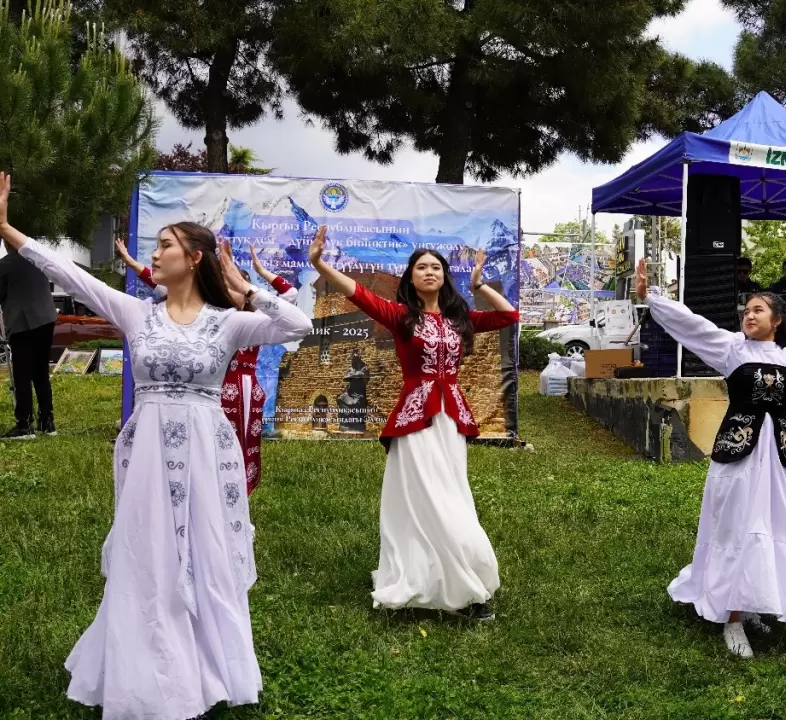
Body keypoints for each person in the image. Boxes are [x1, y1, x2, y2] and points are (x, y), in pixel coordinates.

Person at [0, 171, 313, 719]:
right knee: (148, 549)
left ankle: (208, 665)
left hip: (206, 453)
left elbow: (297, 325)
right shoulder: (137, 313)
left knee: (205, 551)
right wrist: (7, 230)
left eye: (166, 244)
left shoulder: (228, 323)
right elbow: (70, 274)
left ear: (193, 258)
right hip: (147, 453)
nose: (155, 253)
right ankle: (146, 666)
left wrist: (245, 290)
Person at [636, 258, 786, 659]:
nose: (749, 316)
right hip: (738, 455)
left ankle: (753, 603)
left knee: (771, 524)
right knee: (737, 525)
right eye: (746, 311)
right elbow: (692, 326)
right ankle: (731, 618)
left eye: (758, 310)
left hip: (775, 457)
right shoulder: (732, 349)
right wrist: (652, 298)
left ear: (777, 320)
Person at [308, 232, 518, 621]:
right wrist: (320, 264)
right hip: (415, 420)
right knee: (424, 497)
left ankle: (456, 574)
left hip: (450, 420)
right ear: (411, 277)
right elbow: (358, 294)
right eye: (421, 267)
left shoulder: (460, 320)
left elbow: (509, 317)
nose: (429, 272)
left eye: (436, 267)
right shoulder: (400, 315)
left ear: (444, 276)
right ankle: (440, 581)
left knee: (452, 493)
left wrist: (479, 285)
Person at [121, 239, 299, 495]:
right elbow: (160, 286)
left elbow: (290, 295)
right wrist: (133, 265)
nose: (230, 291)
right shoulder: (207, 319)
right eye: (225, 286)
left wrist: (260, 272)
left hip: (245, 393)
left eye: (236, 287)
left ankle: (238, 497)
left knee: (242, 445)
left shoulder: (254, 320)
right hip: (210, 390)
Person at [0, 231, 57, 439]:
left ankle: (24, 424)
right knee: (41, 372)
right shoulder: (37, 259)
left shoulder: (5, 264)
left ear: (8, 244)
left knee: (22, 374)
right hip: (46, 320)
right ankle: (47, 421)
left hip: (23, 323)